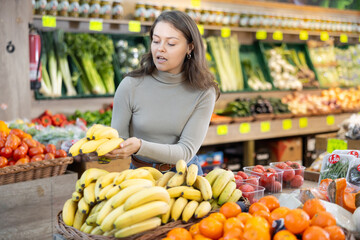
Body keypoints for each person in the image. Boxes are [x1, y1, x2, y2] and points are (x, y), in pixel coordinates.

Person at [108, 10, 220, 175]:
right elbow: (119, 141)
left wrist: (141, 146)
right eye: (156, 41)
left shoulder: (204, 92)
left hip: (184, 177)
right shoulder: (130, 85)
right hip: (139, 174)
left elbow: (185, 151)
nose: (160, 49)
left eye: (171, 43)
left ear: (190, 47)